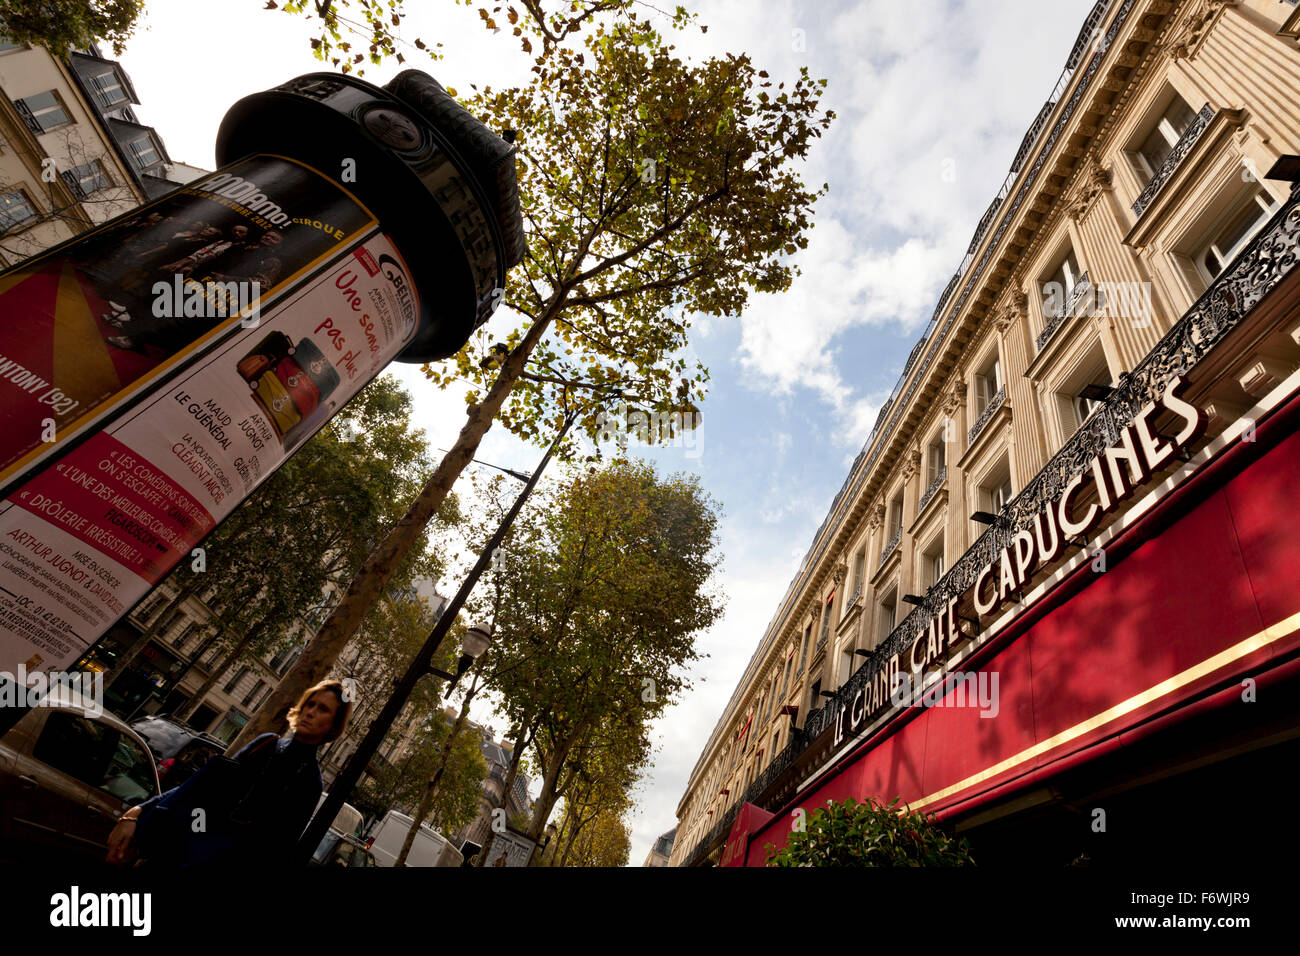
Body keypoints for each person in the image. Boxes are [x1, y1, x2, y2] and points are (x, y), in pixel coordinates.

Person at [105, 680, 351, 868]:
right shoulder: (265, 745)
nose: (310, 712)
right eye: (310, 703)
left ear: (332, 725)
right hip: (174, 851)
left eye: (323, 710)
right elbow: (198, 789)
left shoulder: (309, 783)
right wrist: (136, 813)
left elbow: (275, 853)